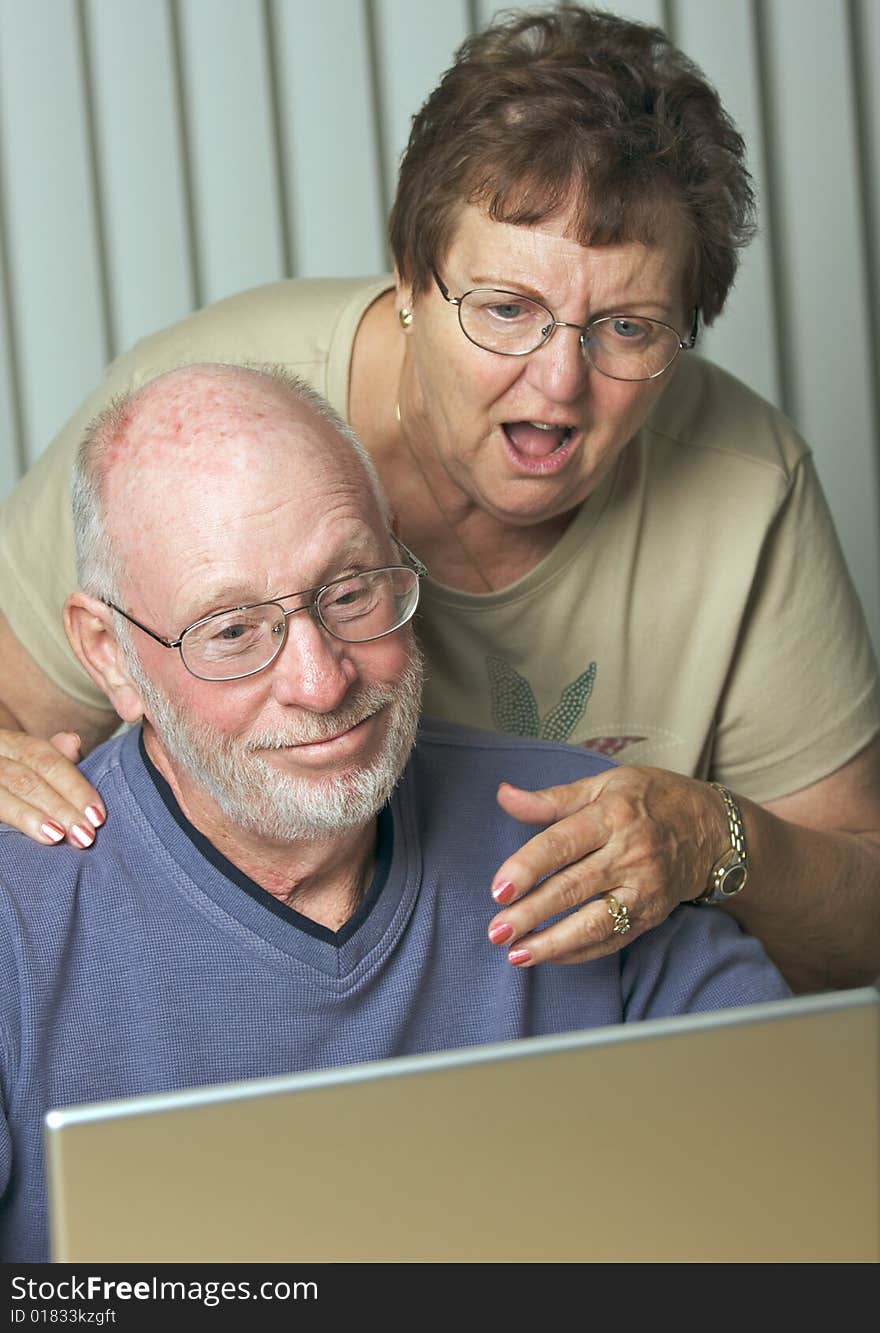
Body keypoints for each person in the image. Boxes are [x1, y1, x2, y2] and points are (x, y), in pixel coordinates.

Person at [0, 7, 878, 994]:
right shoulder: (200, 422)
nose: (556, 383)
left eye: (628, 327)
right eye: (506, 310)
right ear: (413, 276)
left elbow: (856, 930)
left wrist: (708, 838)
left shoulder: (745, 485)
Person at [0, 363, 789, 1261]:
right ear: (109, 654)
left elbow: (797, 1188)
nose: (322, 680)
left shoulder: (589, 832)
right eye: (232, 632)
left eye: (349, 592)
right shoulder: (15, 916)